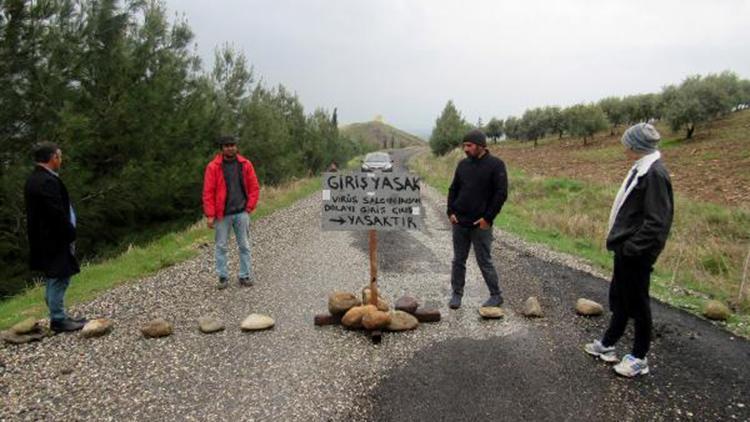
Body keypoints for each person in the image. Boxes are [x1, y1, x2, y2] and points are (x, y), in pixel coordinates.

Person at [585, 123, 674, 378]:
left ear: (636, 145)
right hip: (626, 248)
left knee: (638, 302)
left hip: (637, 252)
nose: (624, 147)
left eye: (627, 143)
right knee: (621, 297)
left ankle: (639, 357)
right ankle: (608, 343)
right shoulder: (641, 168)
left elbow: (658, 221)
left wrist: (633, 248)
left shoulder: (655, 174)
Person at [25, 142, 87, 332]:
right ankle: (58, 319)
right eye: (59, 156)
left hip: (46, 238)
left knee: (56, 275)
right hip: (54, 238)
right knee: (60, 276)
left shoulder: (34, 179)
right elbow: (55, 213)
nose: (61, 159)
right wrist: (69, 231)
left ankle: (59, 314)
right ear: (53, 158)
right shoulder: (46, 182)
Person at [447, 129, 508, 309]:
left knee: (484, 260)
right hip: (460, 222)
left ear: (481, 146)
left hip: (480, 224)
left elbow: (501, 194)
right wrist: (450, 211)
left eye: (469, 145)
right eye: (464, 145)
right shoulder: (462, 165)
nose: (465, 149)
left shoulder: (496, 165)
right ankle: (457, 294)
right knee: (458, 260)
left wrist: (487, 218)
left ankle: (496, 295)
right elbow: (453, 189)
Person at [202, 135, 260, 289]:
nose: (230, 148)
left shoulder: (245, 164)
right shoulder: (213, 167)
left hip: (242, 212)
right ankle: (223, 277)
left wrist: (249, 208)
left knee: (244, 246)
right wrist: (210, 215)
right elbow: (208, 192)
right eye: (226, 145)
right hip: (222, 215)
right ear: (222, 148)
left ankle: (245, 275)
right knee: (221, 246)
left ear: (236, 147)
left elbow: (254, 187)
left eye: (232, 145)